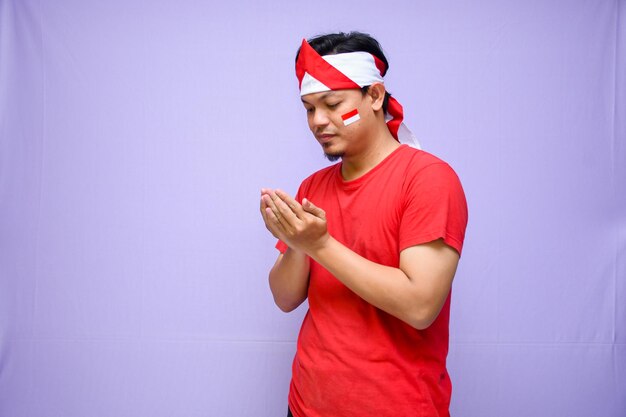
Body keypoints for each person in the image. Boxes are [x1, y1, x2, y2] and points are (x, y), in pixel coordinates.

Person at [260, 32, 468, 417]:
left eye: (333, 103)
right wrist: (297, 242)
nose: (318, 121)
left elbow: (421, 305)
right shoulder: (313, 186)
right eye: (308, 108)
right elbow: (285, 298)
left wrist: (320, 245)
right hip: (306, 405)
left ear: (374, 96)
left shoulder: (429, 180)